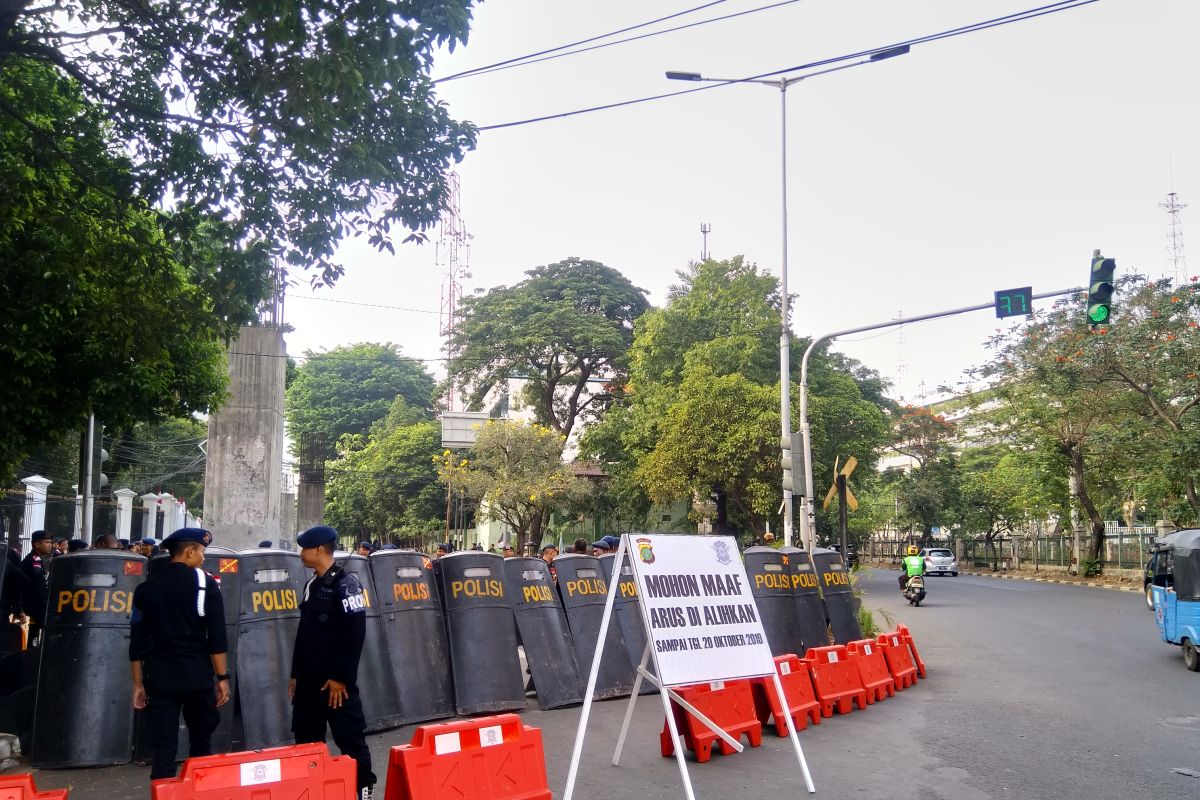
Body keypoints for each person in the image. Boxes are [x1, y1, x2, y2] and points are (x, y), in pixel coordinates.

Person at [129, 527, 230, 781]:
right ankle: (199, 792)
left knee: (163, 751)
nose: (203, 558)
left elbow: (136, 644)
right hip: (197, 678)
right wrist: (223, 678)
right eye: (202, 552)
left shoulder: (145, 590)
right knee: (201, 744)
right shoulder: (206, 585)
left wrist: (138, 685)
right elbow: (217, 638)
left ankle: (163, 792)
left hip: (160, 680)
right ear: (189, 552)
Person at [290, 525, 375, 800]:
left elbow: (355, 634)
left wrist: (342, 678)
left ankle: (363, 793)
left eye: (304, 549)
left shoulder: (347, 584)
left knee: (351, 742)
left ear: (318, 550)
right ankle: (314, 793)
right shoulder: (311, 584)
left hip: (336, 684)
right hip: (308, 682)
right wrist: (295, 673)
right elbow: (304, 633)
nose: (301, 554)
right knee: (306, 742)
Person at [20, 531, 52, 645]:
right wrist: (46, 606)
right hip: (34, 607)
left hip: (33, 606)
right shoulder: (34, 561)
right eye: (47, 542)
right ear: (37, 544)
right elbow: (38, 587)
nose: (50, 545)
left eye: (50, 542)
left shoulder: (36, 559)